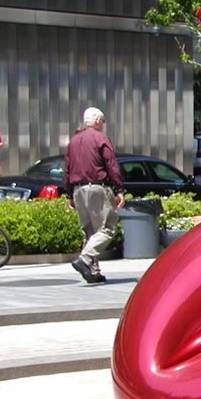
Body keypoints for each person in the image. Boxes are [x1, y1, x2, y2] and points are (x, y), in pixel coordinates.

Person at [64, 107, 125, 284]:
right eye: (103, 121)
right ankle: (85, 259)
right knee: (107, 228)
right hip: (98, 187)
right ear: (97, 121)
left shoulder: (73, 140)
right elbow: (111, 165)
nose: (103, 125)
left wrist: (69, 194)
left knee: (89, 231)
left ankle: (92, 272)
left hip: (78, 190)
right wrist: (119, 189)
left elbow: (67, 168)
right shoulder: (100, 138)